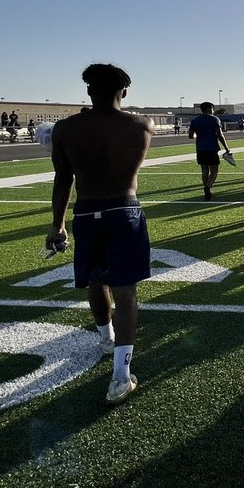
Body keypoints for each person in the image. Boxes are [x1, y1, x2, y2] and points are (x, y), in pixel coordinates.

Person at [46, 63, 153, 405]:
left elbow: (63, 180)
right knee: (125, 292)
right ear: (124, 91)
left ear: (88, 90)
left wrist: (57, 225)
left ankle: (106, 338)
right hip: (125, 209)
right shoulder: (142, 125)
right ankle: (121, 374)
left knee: (96, 282)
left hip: (87, 212)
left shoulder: (65, 129)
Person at [188, 102, 231, 201]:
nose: (213, 111)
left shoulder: (195, 120)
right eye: (212, 109)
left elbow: (191, 136)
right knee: (214, 171)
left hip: (200, 148)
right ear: (208, 109)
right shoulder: (214, 119)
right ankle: (207, 188)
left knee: (204, 171)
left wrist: (198, 135)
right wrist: (226, 148)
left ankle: (207, 189)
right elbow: (220, 135)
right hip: (212, 148)